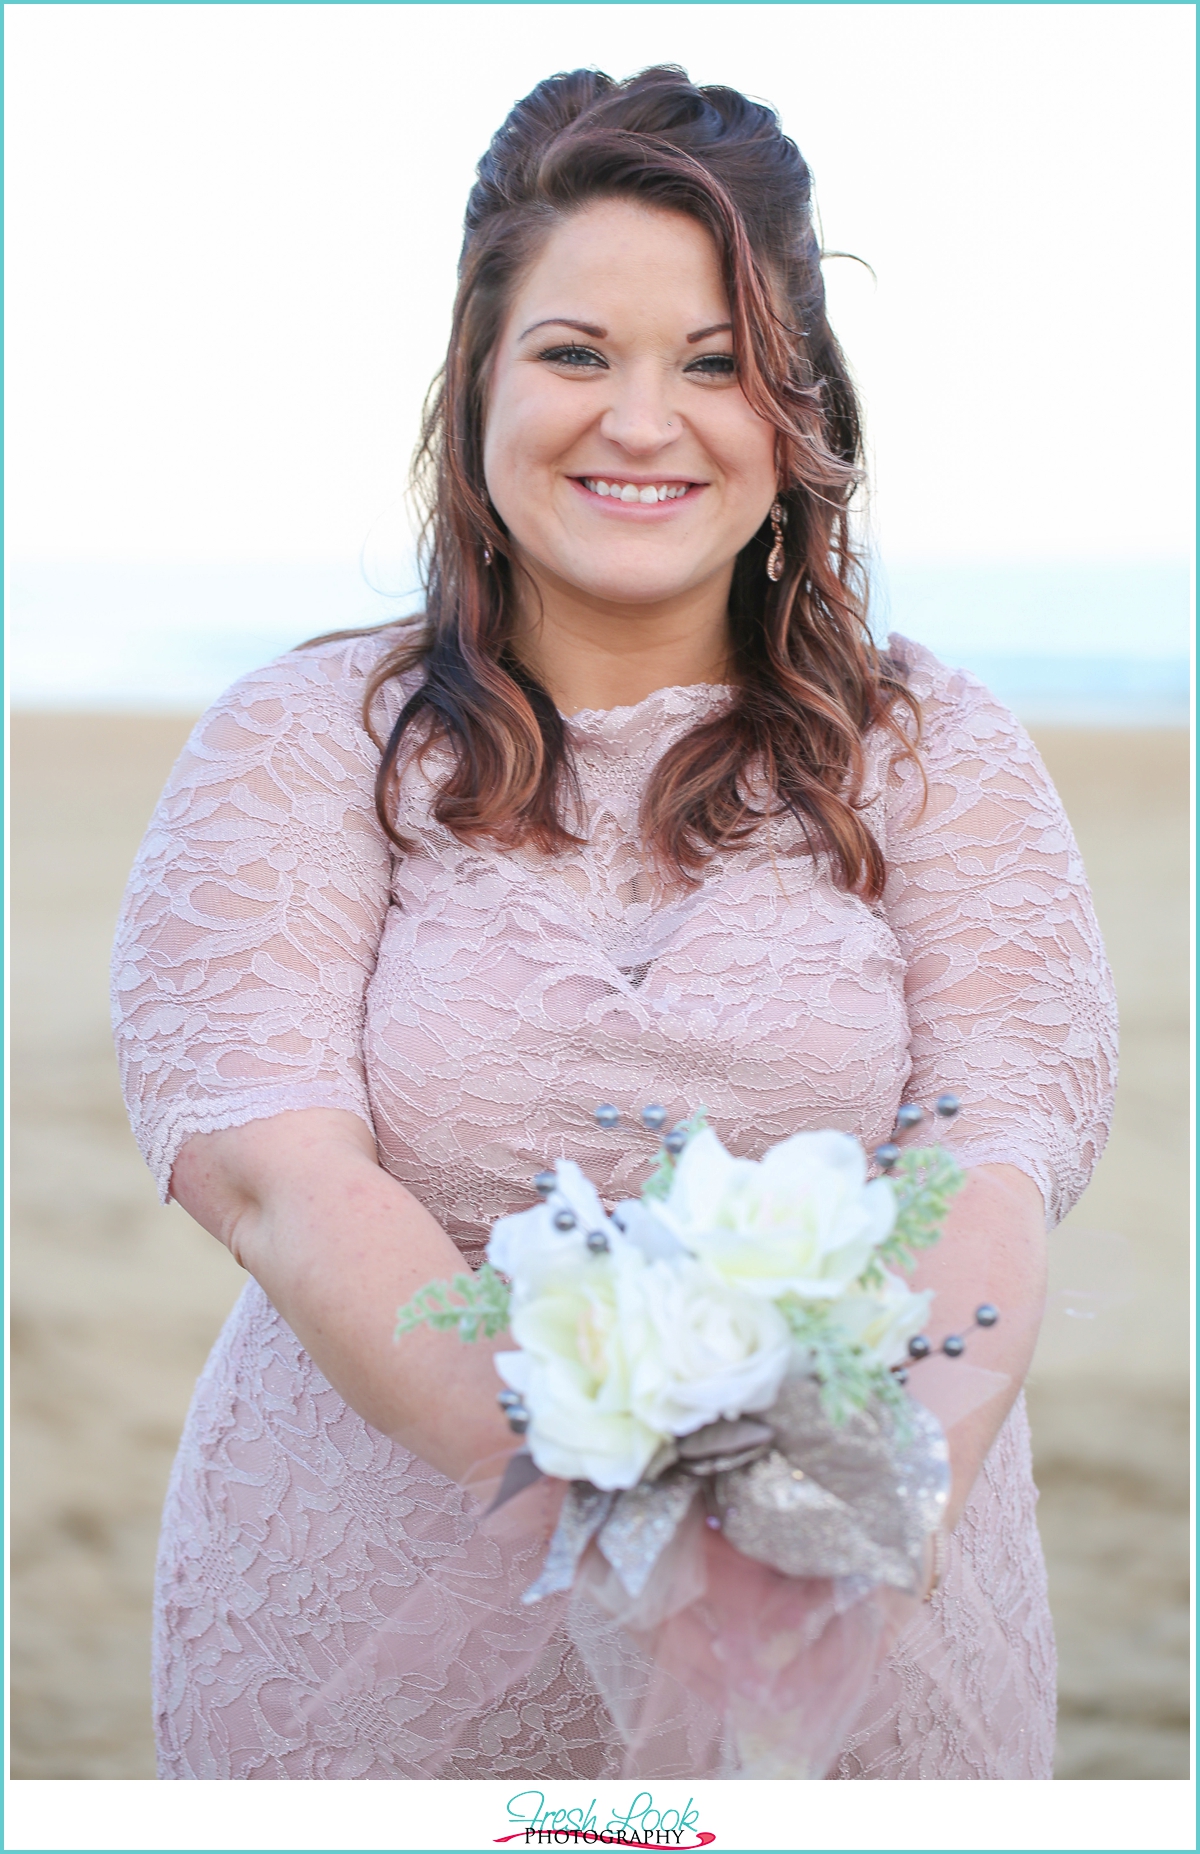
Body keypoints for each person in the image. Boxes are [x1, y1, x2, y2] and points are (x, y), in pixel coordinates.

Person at [111, 65, 1117, 1780]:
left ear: (798, 412)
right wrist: (622, 1489)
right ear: (478, 382)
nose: (643, 422)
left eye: (715, 364)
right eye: (578, 353)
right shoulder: (304, 744)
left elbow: (989, 1151)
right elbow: (278, 1176)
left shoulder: (937, 752)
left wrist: (863, 1507)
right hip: (374, 1632)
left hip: (858, 1614)